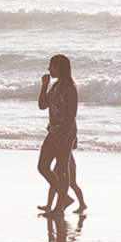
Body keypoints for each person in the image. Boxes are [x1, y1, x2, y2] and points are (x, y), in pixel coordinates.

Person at [36, 54, 79, 217]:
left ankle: (59, 208)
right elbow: (42, 105)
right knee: (42, 166)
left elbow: (72, 114)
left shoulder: (69, 88)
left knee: (62, 169)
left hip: (65, 132)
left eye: (52, 66)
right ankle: (65, 198)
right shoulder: (55, 86)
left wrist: (66, 136)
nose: (49, 69)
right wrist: (44, 85)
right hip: (52, 130)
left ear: (59, 68)